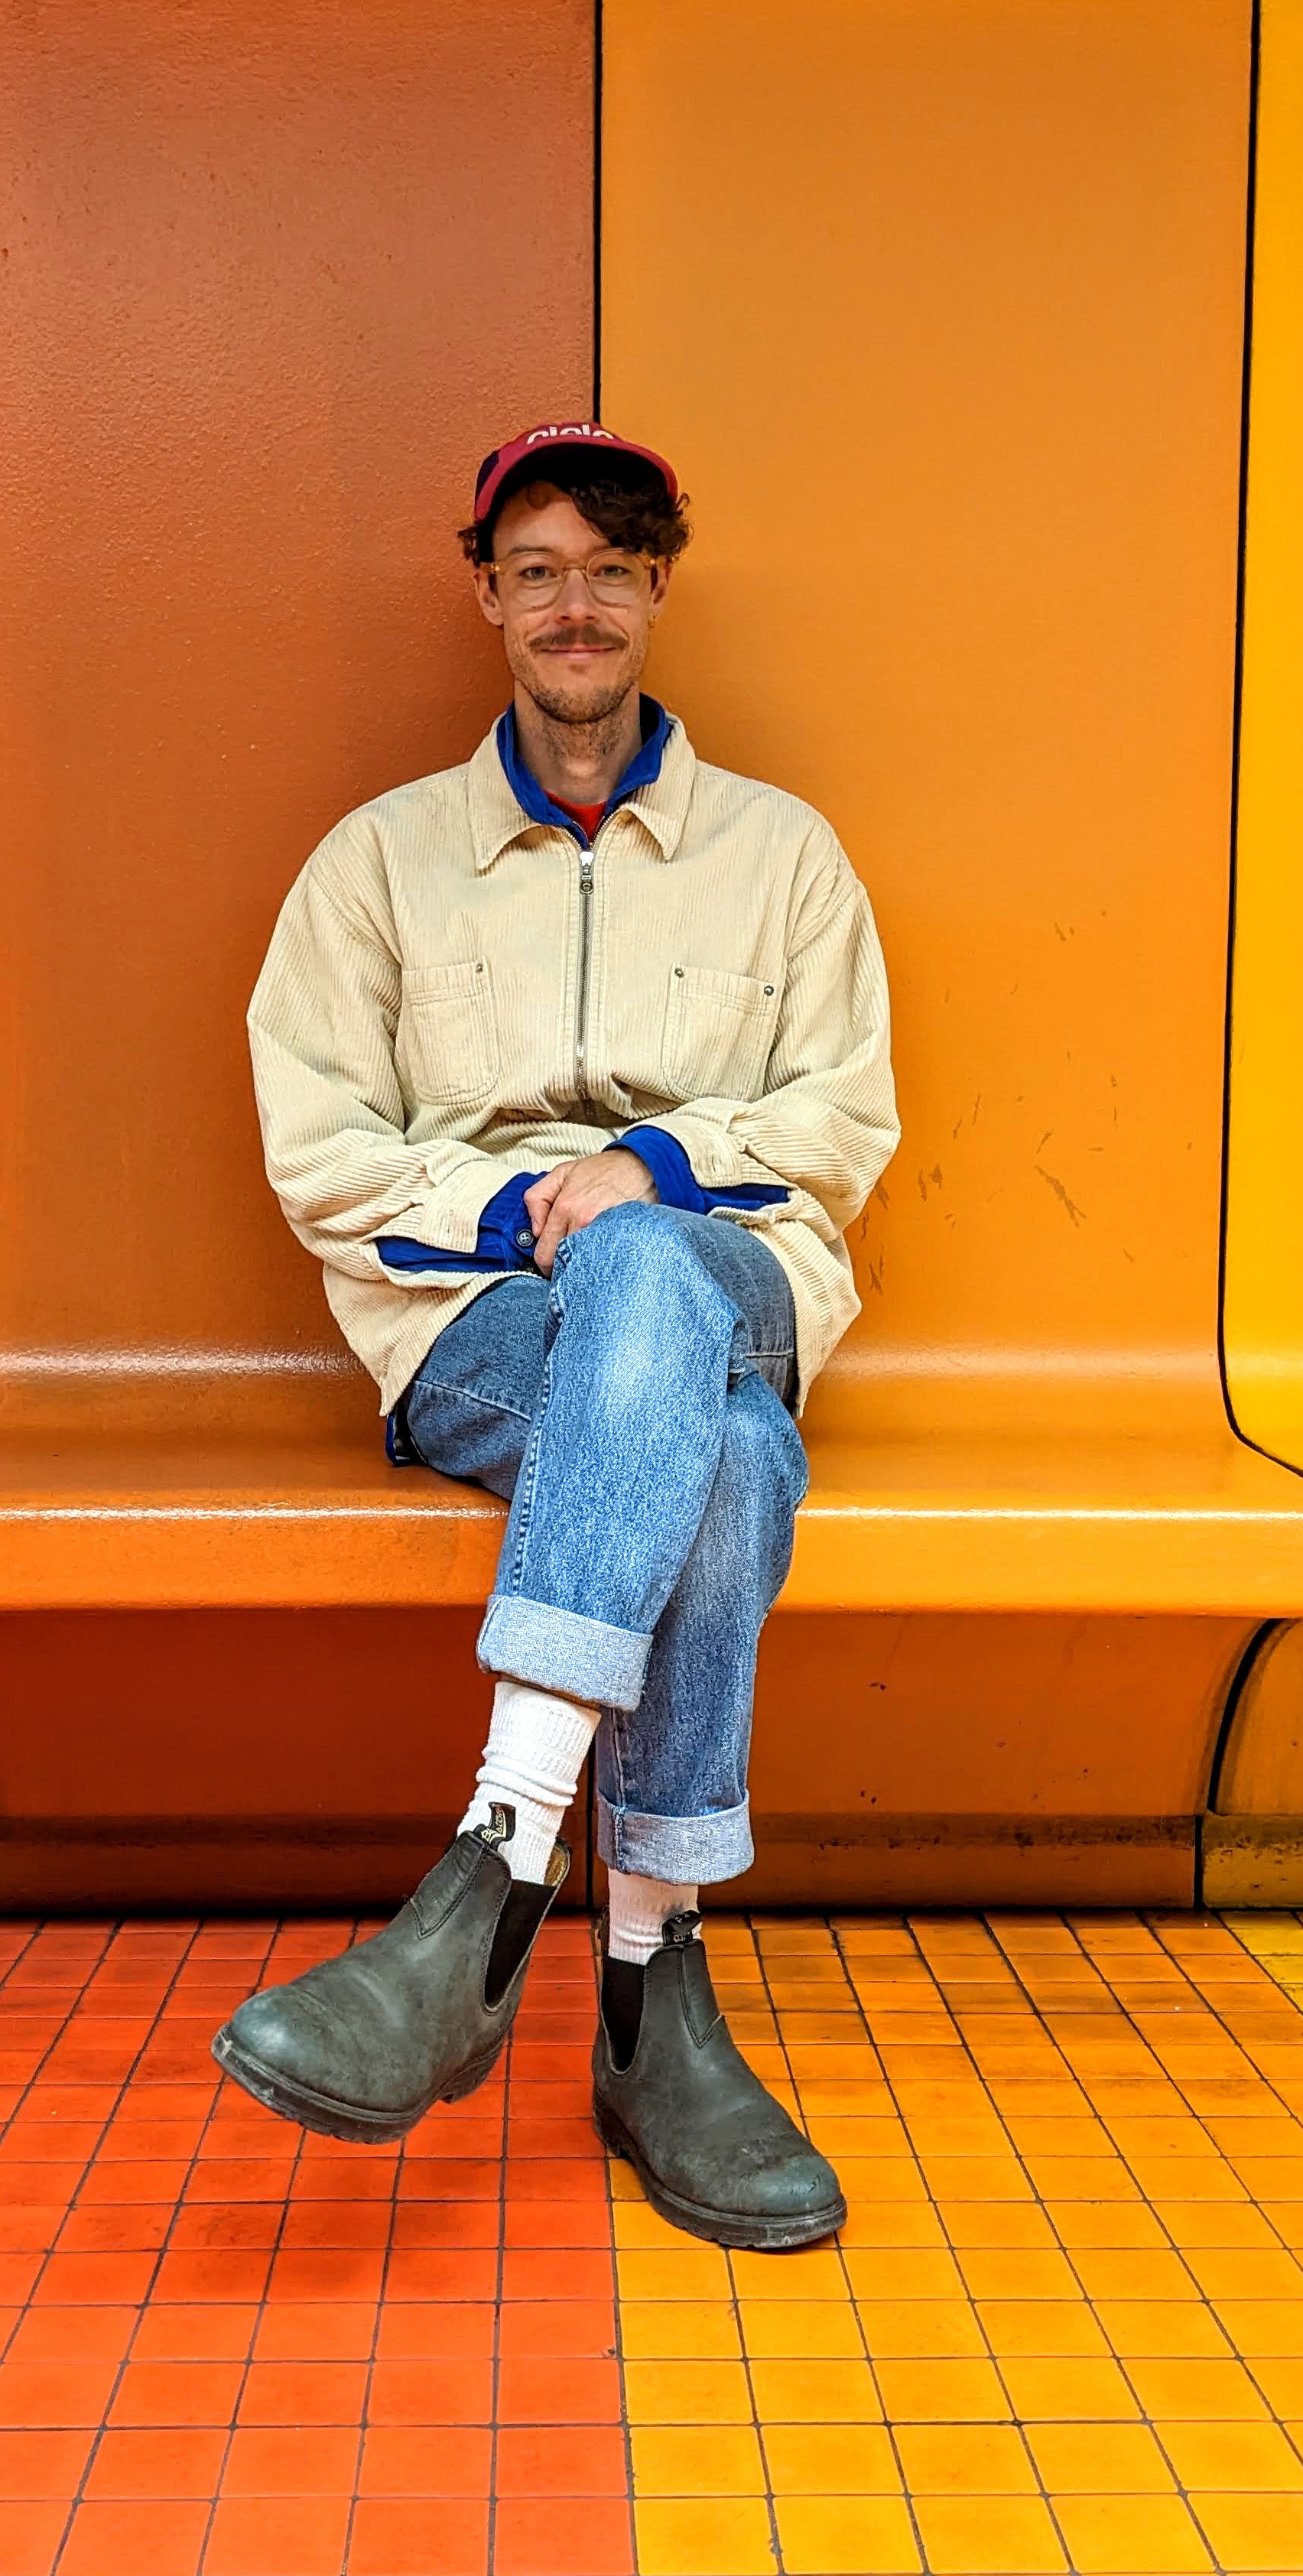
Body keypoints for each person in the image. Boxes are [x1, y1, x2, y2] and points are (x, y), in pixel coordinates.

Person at [216, 421, 898, 2248]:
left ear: (656, 588)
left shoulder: (784, 857)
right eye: (536, 572)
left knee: (657, 1272)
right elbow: (322, 1149)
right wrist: (538, 1209)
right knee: (724, 1454)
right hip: (474, 1317)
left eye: (606, 569)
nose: (572, 605)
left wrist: (649, 1175)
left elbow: (843, 1119)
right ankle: (652, 1998)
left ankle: (496, 1868)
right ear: (490, 601)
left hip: (733, 1278)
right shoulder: (378, 864)